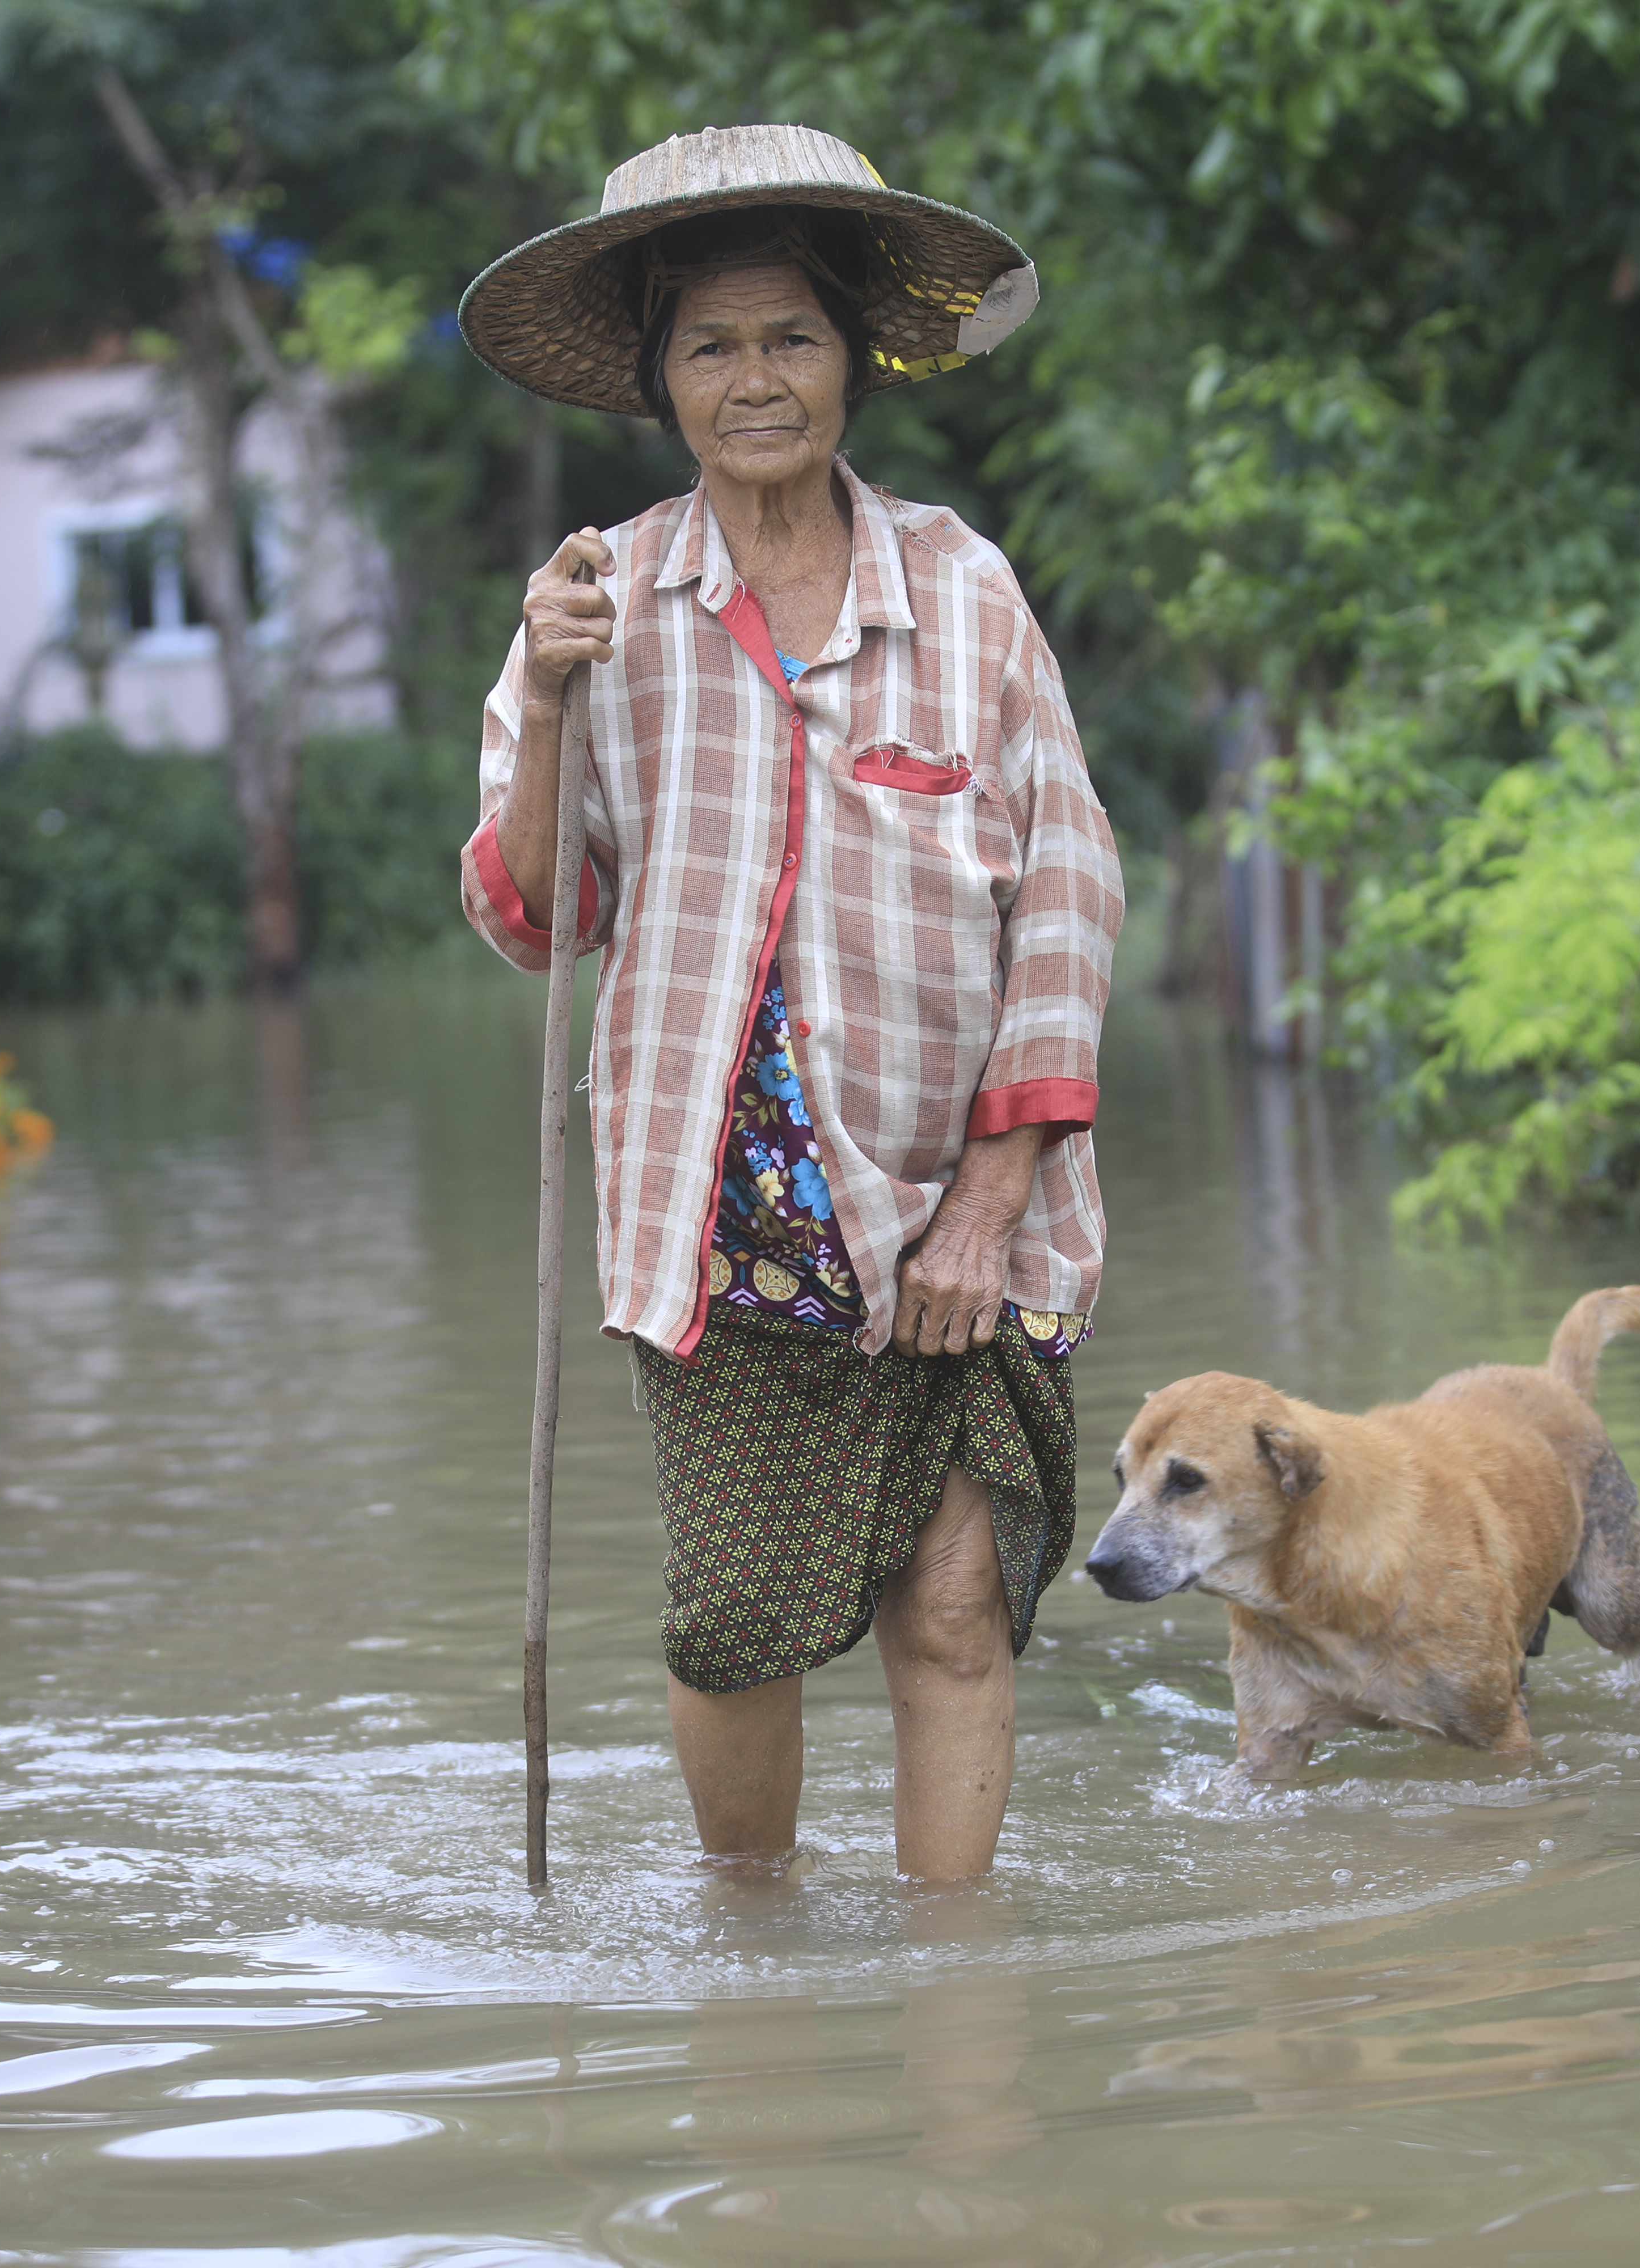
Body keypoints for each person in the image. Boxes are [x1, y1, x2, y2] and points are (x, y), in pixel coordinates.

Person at [456, 125, 1123, 1884]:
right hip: (724, 1199)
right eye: (712, 346)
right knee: (738, 1628)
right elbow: (540, 915)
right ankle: (755, 1965)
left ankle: (950, 2006)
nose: (756, 382)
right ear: (662, 378)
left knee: (957, 1611)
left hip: (959, 1198)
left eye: (792, 339)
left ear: (853, 359)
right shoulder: (600, 603)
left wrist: (990, 1204)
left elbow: (1068, 891)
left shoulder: (963, 591)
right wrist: (544, 684)